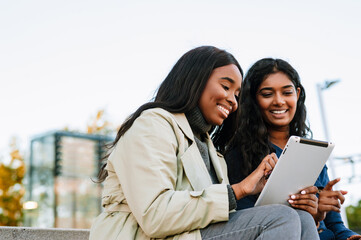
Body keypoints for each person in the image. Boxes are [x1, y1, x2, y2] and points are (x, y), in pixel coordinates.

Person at [89, 46, 319, 240]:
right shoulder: (152, 124)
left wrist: (270, 193)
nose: (232, 100)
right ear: (195, 81)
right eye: (226, 87)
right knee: (282, 218)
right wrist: (238, 190)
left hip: (187, 234)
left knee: (302, 219)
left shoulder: (209, 150)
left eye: (237, 94)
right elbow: (154, 215)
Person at [225, 58, 361, 240]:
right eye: (267, 94)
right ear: (253, 99)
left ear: (297, 94)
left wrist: (327, 219)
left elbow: (337, 227)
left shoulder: (313, 152)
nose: (279, 101)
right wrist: (310, 218)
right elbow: (247, 225)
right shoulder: (238, 155)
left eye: (287, 92)